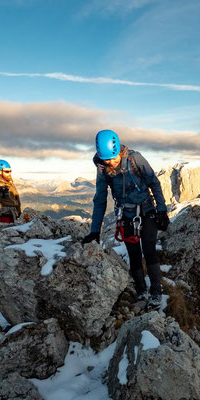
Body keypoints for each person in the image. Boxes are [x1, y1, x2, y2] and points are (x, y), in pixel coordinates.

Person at [82, 130, 169, 309]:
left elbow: (154, 183)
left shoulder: (135, 159)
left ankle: (156, 291)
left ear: (119, 152)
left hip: (146, 211)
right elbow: (99, 199)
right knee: (133, 254)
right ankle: (141, 290)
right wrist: (95, 231)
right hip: (126, 215)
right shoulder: (103, 169)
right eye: (107, 160)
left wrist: (161, 210)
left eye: (113, 159)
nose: (111, 163)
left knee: (149, 248)